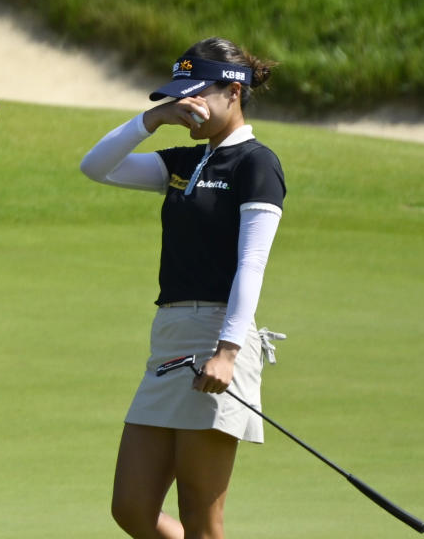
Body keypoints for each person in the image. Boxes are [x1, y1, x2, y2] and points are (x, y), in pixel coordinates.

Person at [80, 37, 286, 538]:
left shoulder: (257, 164)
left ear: (232, 92)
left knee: (201, 515)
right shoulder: (183, 163)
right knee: (130, 507)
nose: (186, 107)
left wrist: (229, 350)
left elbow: (251, 264)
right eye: (180, 96)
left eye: (196, 95)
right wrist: (152, 120)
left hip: (218, 340)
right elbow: (96, 166)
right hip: (168, 342)